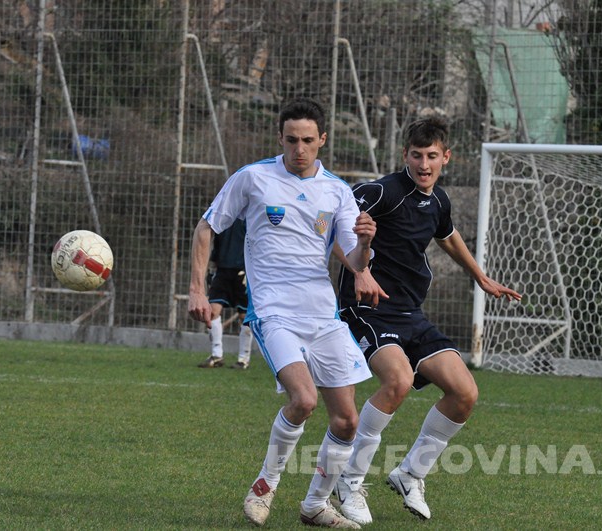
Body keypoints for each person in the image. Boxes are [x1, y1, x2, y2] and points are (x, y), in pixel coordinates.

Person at [188, 97, 375, 529]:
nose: (299, 149)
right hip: (273, 312)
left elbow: (354, 259)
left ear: (322, 140)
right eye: (291, 140)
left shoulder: (338, 192)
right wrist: (197, 289)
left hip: (322, 315)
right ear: (281, 138)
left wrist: (365, 244)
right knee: (304, 399)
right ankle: (265, 485)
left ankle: (314, 505)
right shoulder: (253, 178)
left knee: (347, 420)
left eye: (308, 140)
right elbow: (206, 227)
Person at [332, 117, 522, 525]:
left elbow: (448, 235)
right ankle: (349, 480)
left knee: (464, 392)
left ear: (445, 157)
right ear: (405, 155)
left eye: (431, 156)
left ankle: (410, 474)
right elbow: (334, 218)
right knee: (397, 381)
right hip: (366, 309)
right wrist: (359, 269)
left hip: (409, 313)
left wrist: (480, 276)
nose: (423, 164)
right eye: (416, 155)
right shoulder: (381, 191)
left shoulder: (438, 201)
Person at [197, 218, 254, 370]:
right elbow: (215, 241)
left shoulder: (249, 214)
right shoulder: (224, 214)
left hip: (243, 270)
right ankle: (217, 355)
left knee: (244, 316)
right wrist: (213, 265)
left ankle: (243, 359)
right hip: (222, 270)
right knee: (213, 311)